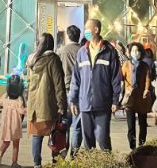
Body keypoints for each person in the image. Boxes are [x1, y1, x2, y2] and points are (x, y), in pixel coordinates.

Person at [69, 18, 122, 151]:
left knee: (102, 138)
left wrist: (115, 100)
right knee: (88, 142)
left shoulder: (109, 52)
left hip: (103, 104)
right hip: (85, 104)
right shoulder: (82, 52)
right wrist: (73, 100)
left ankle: (107, 164)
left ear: (96, 30)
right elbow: (76, 78)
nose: (85, 32)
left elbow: (116, 78)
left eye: (87, 29)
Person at [26, 33, 66, 168]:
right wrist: (62, 105)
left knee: (37, 136)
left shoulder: (31, 60)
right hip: (48, 105)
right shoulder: (53, 59)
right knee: (55, 134)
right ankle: (56, 163)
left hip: (34, 106)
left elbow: (28, 81)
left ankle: (37, 163)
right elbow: (58, 84)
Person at [57, 25, 81, 156]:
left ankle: (63, 151)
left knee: (64, 124)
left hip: (65, 90)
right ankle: (74, 155)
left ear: (68, 35)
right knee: (77, 125)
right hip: (80, 92)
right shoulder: (83, 51)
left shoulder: (61, 51)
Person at [121, 42, 151, 149]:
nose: (135, 53)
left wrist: (146, 90)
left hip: (141, 98)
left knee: (143, 124)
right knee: (131, 125)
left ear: (141, 52)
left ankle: (141, 144)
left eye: (137, 51)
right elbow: (121, 78)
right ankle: (132, 147)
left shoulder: (145, 65)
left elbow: (148, 78)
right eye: (133, 51)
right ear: (130, 52)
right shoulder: (126, 65)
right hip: (130, 99)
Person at [0, 75, 27, 168]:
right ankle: (14, 163)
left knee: (6, 142)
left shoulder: (6, 96)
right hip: (15, 125)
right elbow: (21, 111)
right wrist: (28, 110)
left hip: (5, 124)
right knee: (16, 144)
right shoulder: (19, 99)